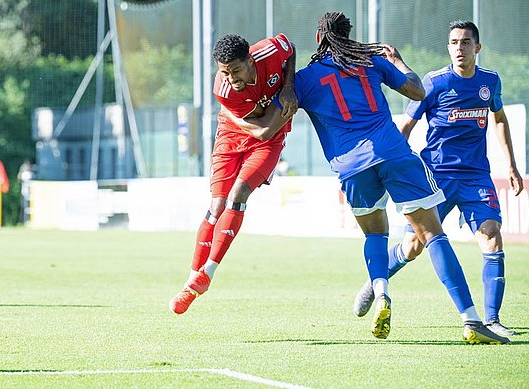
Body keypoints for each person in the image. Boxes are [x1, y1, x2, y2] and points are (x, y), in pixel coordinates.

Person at [237, 12, 509, 343]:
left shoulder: (306, 80)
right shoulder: (370, 62)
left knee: (376, 235)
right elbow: (417, 91)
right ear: (349, 36)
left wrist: (244, 109)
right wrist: (398, 60)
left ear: (319, 39)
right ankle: (471, 319)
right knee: (432, 235)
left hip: (352, 168)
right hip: (393, 154)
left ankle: (381, 292)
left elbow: (268, 127)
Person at [353, 20, 524, 338]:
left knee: (491, 235)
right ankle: (376, 279)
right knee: (413, 245)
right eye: (454, 42)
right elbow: (405, 127)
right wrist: (394, 173)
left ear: (478, 47)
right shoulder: (434, 82)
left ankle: (491, 318)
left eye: (466, 42)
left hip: (476, 177)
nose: (459, 48)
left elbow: (499, 119)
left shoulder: (490, 82)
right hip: (435, 177)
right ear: (449, 47)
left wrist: (512, 165)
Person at [168, 33, 298, 314]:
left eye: (235, 70)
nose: (230, 77)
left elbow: (291, 49)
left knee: (238, 195)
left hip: (267, 143)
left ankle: (207, 274)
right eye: (224, 71)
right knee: (216, 206)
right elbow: (263, 126)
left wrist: (288, 87)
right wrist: (281, 112)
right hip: (233, 136)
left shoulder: (269, 50)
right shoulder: (223, 90)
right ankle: (192, 278)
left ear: (250, 60)